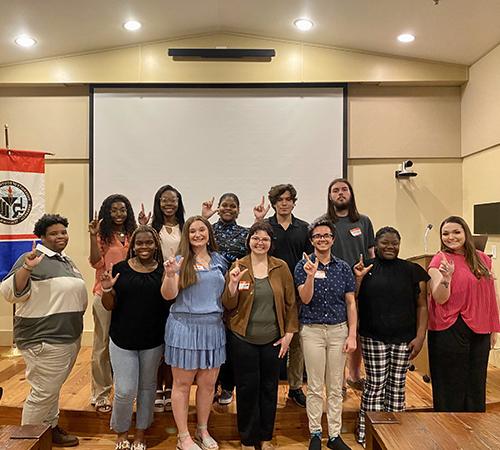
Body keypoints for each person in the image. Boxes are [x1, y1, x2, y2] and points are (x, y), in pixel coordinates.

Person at [0, 214, 87, 447]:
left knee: (50, 389)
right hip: (44, 338)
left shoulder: (65, 260)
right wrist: (26, 269)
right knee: (41, 394)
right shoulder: (32, 258)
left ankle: (49, 428)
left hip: (66, 336)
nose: (60, 236)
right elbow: (10, 293)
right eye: (54, 233)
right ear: (41, 237)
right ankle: (27, 442)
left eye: (63, 232)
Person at [223, 221, 298, 450]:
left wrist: (288, 334)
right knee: (246, 388)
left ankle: (265, 437)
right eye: (255, 238)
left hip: (273, 339)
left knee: (269, 388)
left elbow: (291, 303)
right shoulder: (238, 266)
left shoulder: (281, 267)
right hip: (243, 337)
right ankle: (247, 439)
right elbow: (228, 304)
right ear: (249, 241)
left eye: (264, 239)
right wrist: (233, 284)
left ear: (270, 243)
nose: (260, 242)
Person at [353, 226, 429, 445]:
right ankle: (368, 433)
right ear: (375, 245)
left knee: (397, 384)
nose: (390, 247)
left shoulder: (413, 270)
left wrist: (420, 335)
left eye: (394, 243)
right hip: (373, 336)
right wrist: (357, 279)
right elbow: (353, 299)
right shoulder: (364, 268)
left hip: (405, 337)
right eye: (385, 242)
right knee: (375, 384)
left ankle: (394, 435)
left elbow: (422, 305)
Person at [161, 216, 228, 450]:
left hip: (213, 328)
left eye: (202, 230)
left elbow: (226, 294)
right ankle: (183, 436)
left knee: (208, 385)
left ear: (209, 233)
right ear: (186, 236)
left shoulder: (220, 260)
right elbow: (168, 295)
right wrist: (170, 275)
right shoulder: (178, 261)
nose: (198, 234)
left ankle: (202, 429)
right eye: (192, 231)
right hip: (185, 328)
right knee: (182, 384)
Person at [101, 225, 167, 450]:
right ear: (133, 246)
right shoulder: (120, 269)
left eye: (149, 242)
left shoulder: (164, 271)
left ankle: (140, 433)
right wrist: (108, 289)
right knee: (125, 390)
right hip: (122, 340)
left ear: (156, 245)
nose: (144, 247)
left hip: (153, 340)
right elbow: (109, 305)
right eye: (140, 243)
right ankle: (121, 432)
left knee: (147, 388)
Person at [294, 219, 357, 450]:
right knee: (314, 385)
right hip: (312, 331)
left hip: (339, 331)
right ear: (311, 240)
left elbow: (350, 303)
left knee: (335, 386)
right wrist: (311, 275)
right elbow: (305, 299)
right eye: (317, 236)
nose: (322, 239)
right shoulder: (303, 266)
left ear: (332, 239)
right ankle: (315, 432)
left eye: (326, 235)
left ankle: (334, 435)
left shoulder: (343, 268)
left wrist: (352, 335)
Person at [427, 216, 500, 412]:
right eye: (445, 233)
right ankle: (451, 434)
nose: (451, 237)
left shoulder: (483, 259)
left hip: (480, 327)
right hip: (450, 327)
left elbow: (491, 295)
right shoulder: (439, 260)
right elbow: (440, 298)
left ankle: (472, 434)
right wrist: (446, 278)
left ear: (465, 233)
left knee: (476, 384)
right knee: (452, 385)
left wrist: (494, 328)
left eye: (456, 232)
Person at [254, 184, 312, 408]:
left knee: (295, 341)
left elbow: (308, 259)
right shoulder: (266, 227)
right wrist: (258, 221)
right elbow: (256, 248)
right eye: (280, 199)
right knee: (270, 339)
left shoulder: (304, 228)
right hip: (270, 290)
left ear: (294, 202)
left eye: (289, 199)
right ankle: (267, 386)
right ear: (274, 203)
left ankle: (295, 387)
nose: (285, 203)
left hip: (297, 291)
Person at [322, 178, 375, 394]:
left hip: (362, 282)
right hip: (333, 286)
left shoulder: (363, 221)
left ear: (351, 194)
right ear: (330, 196)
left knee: (357, 330)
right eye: (336, 190)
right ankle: (339, 381)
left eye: (344, 190)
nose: (340, 193)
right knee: (337, 334)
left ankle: (354, 375)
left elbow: (372, 253)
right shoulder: (323, 223)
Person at [139, 184, 186, 413]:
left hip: (181, 289)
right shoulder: (152, 228)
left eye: (173, 200)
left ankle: (171, 387)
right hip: (155, 287)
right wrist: (142, 226)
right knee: (157, 338)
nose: (169, 204)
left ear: (179, 202)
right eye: (164, 200)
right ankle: (158, 388)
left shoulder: (185, 227)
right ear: (158, 203)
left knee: (173, 340)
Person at [89, 194, 137, 413]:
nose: (119, 214)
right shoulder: (102, 235)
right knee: (102, 347)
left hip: (129, 298)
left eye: (123, 210)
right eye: (114, 210)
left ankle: (124, 391)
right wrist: (93, 236)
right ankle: (100, 394)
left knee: (126, 345)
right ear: (107, 212)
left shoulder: (132, 234)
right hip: (105, 294)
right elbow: (96, 262)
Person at [202, 193, 248, 406]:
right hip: (209, 292)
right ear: (218, 208)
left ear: (238, 210)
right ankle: (210, 386)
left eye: (233, 206)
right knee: (211, 342)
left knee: (230, 342)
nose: (228, 209)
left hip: (236, 292)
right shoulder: (208, 231)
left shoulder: (245, 233)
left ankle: (228, 386)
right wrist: (204, 218)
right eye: (224, 205)